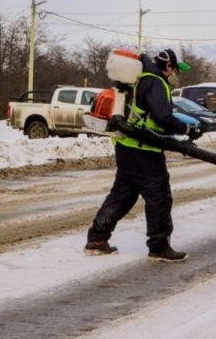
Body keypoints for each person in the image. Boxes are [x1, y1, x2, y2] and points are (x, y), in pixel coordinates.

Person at [85, 49, 203, 262]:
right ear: (168, 67)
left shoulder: (139, 78)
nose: (176, 73)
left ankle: (97, 239)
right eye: (176, 69)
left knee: (123, 193)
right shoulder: (156, 82)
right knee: (159, 196)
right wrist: (186, 129)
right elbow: (162, 117)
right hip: (144, 150)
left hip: (126, 146)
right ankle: (159, 246)